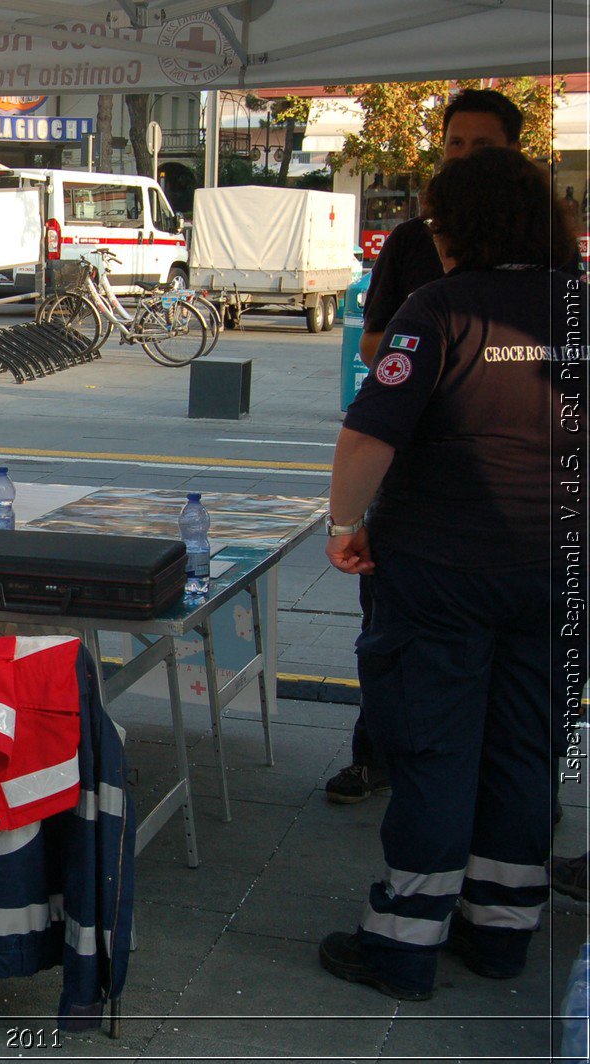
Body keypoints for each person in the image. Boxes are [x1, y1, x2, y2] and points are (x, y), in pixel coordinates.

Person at [317, 148, 582, 1001]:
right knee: (524, 746)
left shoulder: (440, 309)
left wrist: (345, 525)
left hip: (442, 568)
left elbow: (368, 436)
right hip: (557, 569)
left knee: (434, 747)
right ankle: (502, 933)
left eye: (438, 221)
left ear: (465, 226)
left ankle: (402, 945)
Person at [326, 87, 524, 805]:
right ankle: (376, 753)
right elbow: (376, 343)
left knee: (510, 679)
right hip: (416, 479)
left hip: (511, 509)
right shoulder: (413, 244)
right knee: (392, 638)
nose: (464, 158)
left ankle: (508, 790)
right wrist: (435, 323)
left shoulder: (540, 257)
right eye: (454, 145)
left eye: (483, 147)